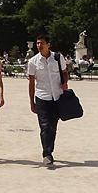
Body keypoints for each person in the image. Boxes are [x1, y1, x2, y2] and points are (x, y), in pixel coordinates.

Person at [27, 33, 68, 166]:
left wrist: (65, 83)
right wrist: (31, 101)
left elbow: (65, 72)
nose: (39, 45)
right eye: (37, 43)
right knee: (44, 126)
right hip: (42, 97)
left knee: (53, 127)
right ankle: (47, 153)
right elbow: (31, 83)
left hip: (57, 96)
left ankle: (49, 150)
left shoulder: (58, 57)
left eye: (42, 43)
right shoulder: (33, 61)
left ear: (48, 44)